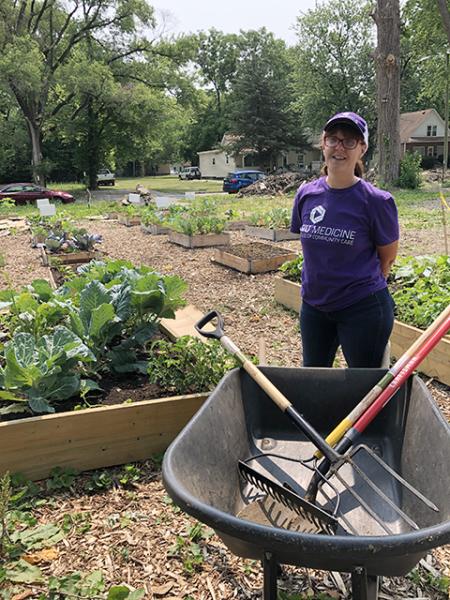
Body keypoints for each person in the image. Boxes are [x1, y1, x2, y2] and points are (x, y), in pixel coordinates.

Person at [290, 111, 399, 368]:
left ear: (362, 148)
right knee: (314, 382)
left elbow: (388, 258)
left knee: (363, 391)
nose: (339, 147)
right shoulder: (306, 194)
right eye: (333, 139)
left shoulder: (376, 201)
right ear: (323, 143)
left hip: (362, 309)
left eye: (349, 141)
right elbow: (311, 248)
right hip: (314, 307)